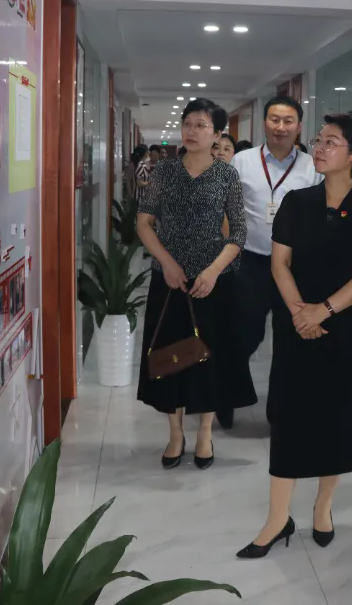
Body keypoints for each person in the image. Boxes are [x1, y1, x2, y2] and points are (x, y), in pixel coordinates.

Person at [237, 111, 352, 559]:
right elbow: (279, 263)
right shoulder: (297, 202)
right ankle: (276, 518)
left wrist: (321, 311)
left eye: (331, 142)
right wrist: (298, 313)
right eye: (319, 140)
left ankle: (323, 507)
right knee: (288, 418)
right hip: (296, 327)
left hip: (348, 329)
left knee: (337, 419)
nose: (319, 148)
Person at [136, 98, 255, 471]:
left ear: (217, 134)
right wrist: (168, 263)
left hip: (213, 283)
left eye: (201, 125)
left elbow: (238, 233)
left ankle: (205, 432)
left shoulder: (226, 176)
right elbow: (144, 223)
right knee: (171, 358)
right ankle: (175, 433)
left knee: (209, 357)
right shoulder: (164, 172)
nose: (191, 131)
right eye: (187, 123)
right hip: (169, 281)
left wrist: (213, 271)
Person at [224, 96, 322, 429]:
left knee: (288, 337)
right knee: (244, 334)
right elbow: (226, 207)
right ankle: (229, 395)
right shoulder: (242, 161)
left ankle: (279, 410)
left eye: (288, 121)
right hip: (249, 261)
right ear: (264, 122)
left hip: (293, 267)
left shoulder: (312, 166)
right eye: (275, 119)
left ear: (299, 126)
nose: (281, 127)